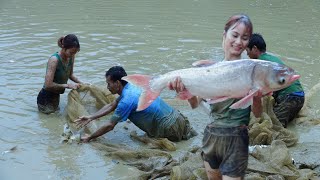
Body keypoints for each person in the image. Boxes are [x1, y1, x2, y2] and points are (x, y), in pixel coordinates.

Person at [168, 14, 263, 180]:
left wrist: (257, 96)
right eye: (235, 35)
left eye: (245, 38)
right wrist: (185, 92)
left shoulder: (251, 71)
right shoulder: (210, 70)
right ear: (224, 35)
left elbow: (257, 114)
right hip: (211, 137)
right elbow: (194, 104)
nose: (239, 42)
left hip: (236, 138)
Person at [75, 66, 196, 143]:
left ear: (117, 83)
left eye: (109, 83)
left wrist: (90, 137)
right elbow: (112, 105)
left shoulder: (126, 101)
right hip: (179, 119)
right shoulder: (134, 85)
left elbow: (110, 125)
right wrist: (91, 117)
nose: (107, 87)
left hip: (168, 129)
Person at [246, 33, 305, 128]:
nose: (247, 54)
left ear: (254, 48)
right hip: (299, 96)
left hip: (289, 98)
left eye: (247, 50)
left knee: (273, 129)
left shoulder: (261, 63)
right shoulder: (271, 58)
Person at [37, 34, 83, 114]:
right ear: (64, 48)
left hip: (56, 96)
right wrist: (68, 85)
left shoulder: (71, 57)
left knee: (56, 118)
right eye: (71, 52)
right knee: (50, 120)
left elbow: (70, 75)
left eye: (74, 53)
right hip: (45, 98)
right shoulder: (54, 60)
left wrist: (82, 83)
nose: (72, 55)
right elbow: (48, 84)